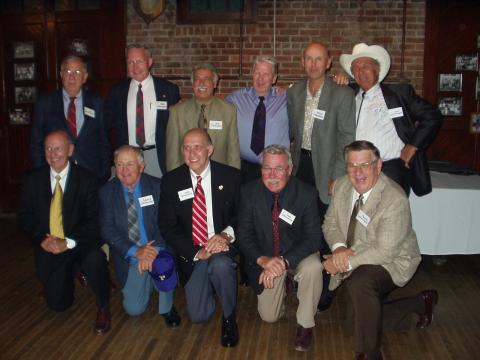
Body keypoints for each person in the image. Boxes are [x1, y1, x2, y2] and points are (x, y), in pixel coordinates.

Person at [322, 140, 438, 360]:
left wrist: (343, 262)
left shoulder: (394, 198)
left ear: (379, 166)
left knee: (360, 283)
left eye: (365, 164)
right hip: (355, 254)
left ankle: (369, 353)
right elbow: (330, 224)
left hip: (393, 260)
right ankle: (419, 303)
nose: (358, 173)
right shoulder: (341, 186)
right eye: (352, 165)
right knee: (353, 324)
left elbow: (385, 251)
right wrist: (338, 250)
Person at [19, 130, 111, 334]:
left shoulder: (87, 179)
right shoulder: (33, 180)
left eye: (58, 148)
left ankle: (103, 307)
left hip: (78, 243)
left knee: (95, 259)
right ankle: (71, 272)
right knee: (58, 305)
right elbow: (25, 216)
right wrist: (41, 239)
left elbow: (93, 222)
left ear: (70, 150)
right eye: (48, 149)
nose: (53, 154)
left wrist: (67, 242)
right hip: (49, 243)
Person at [287, 41, 356, 311]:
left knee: (329, 227)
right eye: (309, 59)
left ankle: (329, 284)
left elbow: (347, 138)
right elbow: (292, 134)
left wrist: (338, 175)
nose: (314, 64)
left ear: (329, 63)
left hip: (328, 169)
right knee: (302, 223)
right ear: (302, 62)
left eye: (319, 59)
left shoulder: (342, 94)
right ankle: (305, 277)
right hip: (300, 166)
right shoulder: (293, 92)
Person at [237, 144, 323, 352]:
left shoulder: (306, 193)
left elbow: (313, 238)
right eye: (267, 168)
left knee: (313, 267)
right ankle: (286, 284)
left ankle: (305, 324)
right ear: (261, 169)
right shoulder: (248, 193)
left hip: (297, 254)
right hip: (266, 257)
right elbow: (244, 235)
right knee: (269, 317)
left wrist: (284, 262)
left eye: (279, 169)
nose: (272, 175)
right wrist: (263, 260)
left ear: (290, 169)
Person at [159, 128, 241, 347]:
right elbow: (167, 227)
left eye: (197, 146)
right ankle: (213, 286)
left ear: (210, 149)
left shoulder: (231, 177)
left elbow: (242, 216)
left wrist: (225, 235)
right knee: (198, 316)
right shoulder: (171, 181)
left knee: (221, 266)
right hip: (192, 251)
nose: (191, 152)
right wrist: (196, 251)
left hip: (221, 245)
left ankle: (229, 318)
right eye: (186, 147)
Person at [339, 43, 443, 196]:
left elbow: (432, 116)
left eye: (366, 66)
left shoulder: (399, 94)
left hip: (391, 170)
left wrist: (413, 146)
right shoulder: (348, 95)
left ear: (377, 69)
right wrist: (336, 82)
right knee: (360, 216)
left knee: (391, 217)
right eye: (356, 68)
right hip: (357, 172)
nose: (361, 72)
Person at [99, 145, 180, 327]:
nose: (124, 170)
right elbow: (107, 230)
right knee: (134, 309)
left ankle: (167, 307)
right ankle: (149, 281)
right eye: (119, 164)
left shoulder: (158, 187)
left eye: (129, 164)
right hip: (130, 254)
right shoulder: (106, 192)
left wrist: (151, 251)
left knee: (162, 264)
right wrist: (136, 251)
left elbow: (166, 223)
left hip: (157, 249)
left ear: (141, 167)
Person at [31, 55, 111, 184]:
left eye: (77, 72)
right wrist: (43, 172)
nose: (72, 77)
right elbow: (37, 142)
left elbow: (104, 141)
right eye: (67, 72)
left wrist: (103, 172)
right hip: (56, 173)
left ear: (85, 77)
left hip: (91, 174)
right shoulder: (45, 104)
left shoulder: (97, 103)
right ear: (61, 75)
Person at [106, 44, 180, 178]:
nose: (135, 67)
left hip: (157, 156)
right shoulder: (117, 91)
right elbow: (107, 125)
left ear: (150, 62)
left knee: (158, 194)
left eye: (139, 61)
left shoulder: (168, 90)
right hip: (127, 156)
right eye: (130, 62)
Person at [226, 56, 290, 184]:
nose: (260, 78)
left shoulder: (286, 99)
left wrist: (287, 86)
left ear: (274, 78)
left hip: (276, 168)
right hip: (245, 168)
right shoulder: (236, 98)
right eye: (257, 73)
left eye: (266, 74)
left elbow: (306, 88)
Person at [166, 63, 240, 171]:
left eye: (206, 79)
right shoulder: (176, 112)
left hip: (219, 174)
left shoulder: (228, 111)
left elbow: (233, 151)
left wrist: (234, 178)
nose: (201, 83)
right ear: (192, 84)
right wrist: (175, 180)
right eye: (197, 79)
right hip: (186, 175)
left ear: (214, 84)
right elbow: (172, 154)